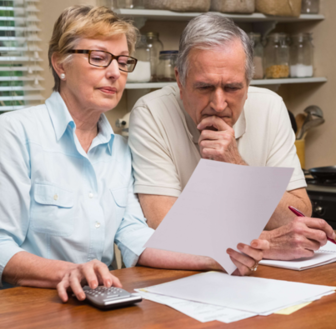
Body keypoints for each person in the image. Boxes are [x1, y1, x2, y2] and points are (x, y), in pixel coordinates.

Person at [0, 6, 267, 301]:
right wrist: (70, 272)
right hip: (14, 316)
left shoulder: (119, 151)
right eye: (99, 58)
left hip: (93, 308)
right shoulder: (12, 134)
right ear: (60, 64)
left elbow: (135, 236)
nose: (114, 73)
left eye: (123, 62)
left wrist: (216, 257)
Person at [128, 13, 335, 260]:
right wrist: (266, 242)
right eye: (204, 87)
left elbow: (297, 215)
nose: (218, 104)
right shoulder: (151, 112)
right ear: (179, 82)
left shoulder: (270, 106)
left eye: (233, 88)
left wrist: (235, 164)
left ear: (248, 84)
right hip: (185, 275)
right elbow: (163, 227)